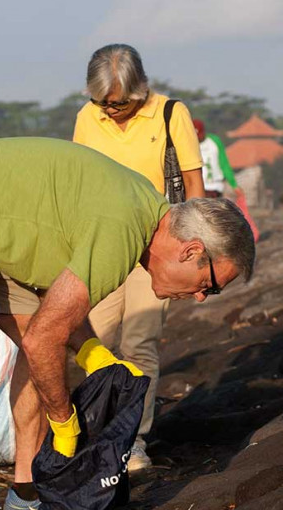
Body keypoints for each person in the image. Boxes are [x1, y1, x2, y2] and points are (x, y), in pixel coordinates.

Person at [0, 136, 254, 510]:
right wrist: (65, 423)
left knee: (38, 346)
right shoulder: (123, 230)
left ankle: (26, 490)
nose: (202, 297)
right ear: (191, 251)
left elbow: (53, 318)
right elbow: (45, 336)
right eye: (210, 285)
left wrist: (95, 355)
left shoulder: (140, 217)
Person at [72, 44, 205, 472]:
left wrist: (195, 246)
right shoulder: (86, 117)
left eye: (120, 103)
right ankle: (96, 433)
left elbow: (193, 185)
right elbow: (78, 182)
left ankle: (133, 440)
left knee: (139, 342)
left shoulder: (170, 114)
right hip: (102, 245)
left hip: (157, 247)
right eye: (103, 103)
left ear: (140, 90)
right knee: (96, 338)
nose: (111, 111)